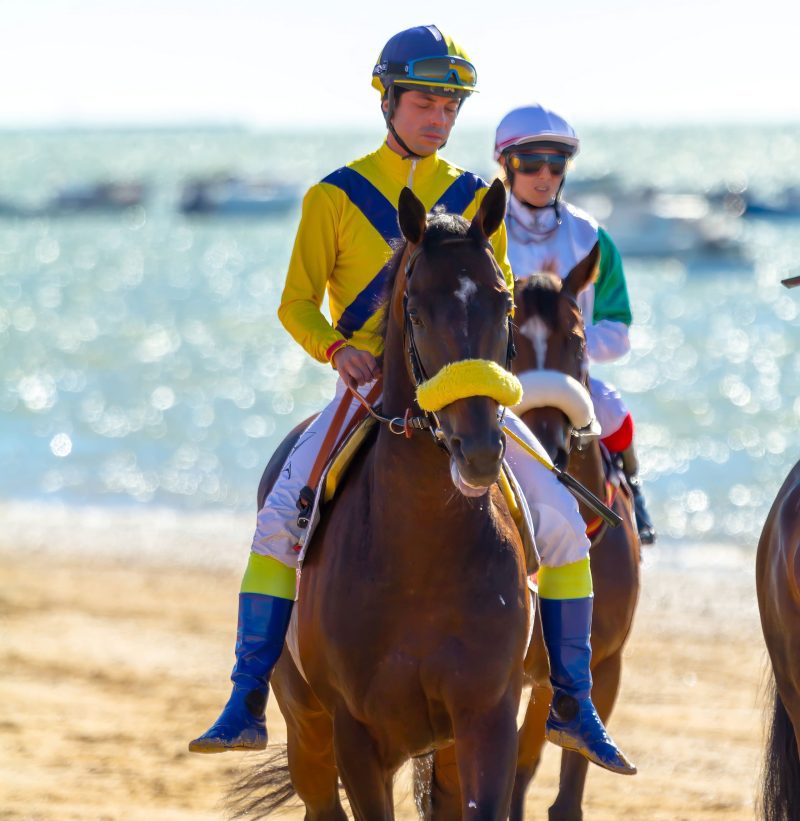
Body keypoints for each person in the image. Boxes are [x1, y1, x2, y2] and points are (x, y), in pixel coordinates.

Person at [189, 26, 634, 776]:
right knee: (279, 519)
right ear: (388, 101)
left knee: (563, 522)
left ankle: (573, 702)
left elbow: (494, 301)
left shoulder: (478, 197)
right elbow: (295, 304)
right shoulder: (333, 197)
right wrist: (338, 348)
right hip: (372, 388)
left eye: (450, 106)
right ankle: (245, 698)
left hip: (466, 390)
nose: (439, 118)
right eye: (425, 103)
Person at [494, 103, 656, 544]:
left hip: (571, 378)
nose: (544, 175)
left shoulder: (592, 236)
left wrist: (571, 344)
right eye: (530, 162)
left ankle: (633, 490)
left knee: (611, 407)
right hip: (503, 378)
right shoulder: (487, 233)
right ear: (505, 163)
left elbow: (617, 327)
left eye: (557, 162)